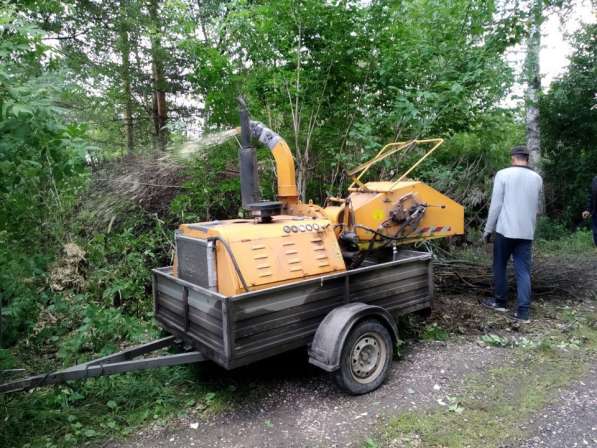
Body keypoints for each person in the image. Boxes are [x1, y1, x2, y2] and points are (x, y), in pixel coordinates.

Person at [482, 145, 543, 323]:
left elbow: (496, 206)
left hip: (505, 230)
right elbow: (536, 208)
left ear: (513, 158)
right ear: (527, 159)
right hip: (526, 232)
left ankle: (500, 302)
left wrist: (487, 230)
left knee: (499, 265)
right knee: (523, 271)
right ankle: (523, 312)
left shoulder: (503, 174)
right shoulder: (537, 178)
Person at [581, 176, 597, 247]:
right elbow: (591, 196)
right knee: (596, 235)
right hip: (595, 214)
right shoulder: (595, 180)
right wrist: (588, 210)